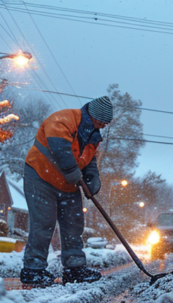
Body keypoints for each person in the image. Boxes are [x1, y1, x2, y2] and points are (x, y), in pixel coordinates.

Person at [19, 96, 113, 287]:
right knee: (43, 223)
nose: (103, 126)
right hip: (40, 176)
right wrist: (71, 171)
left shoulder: (93, 136)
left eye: (106, 123)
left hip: (68, 184)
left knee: (74, 224)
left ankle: (74, 269)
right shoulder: (64, 118)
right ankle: (33, 270)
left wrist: (92, 178)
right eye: (101, 121)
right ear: (92, 116)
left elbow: (90, 161)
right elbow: (59, 147)